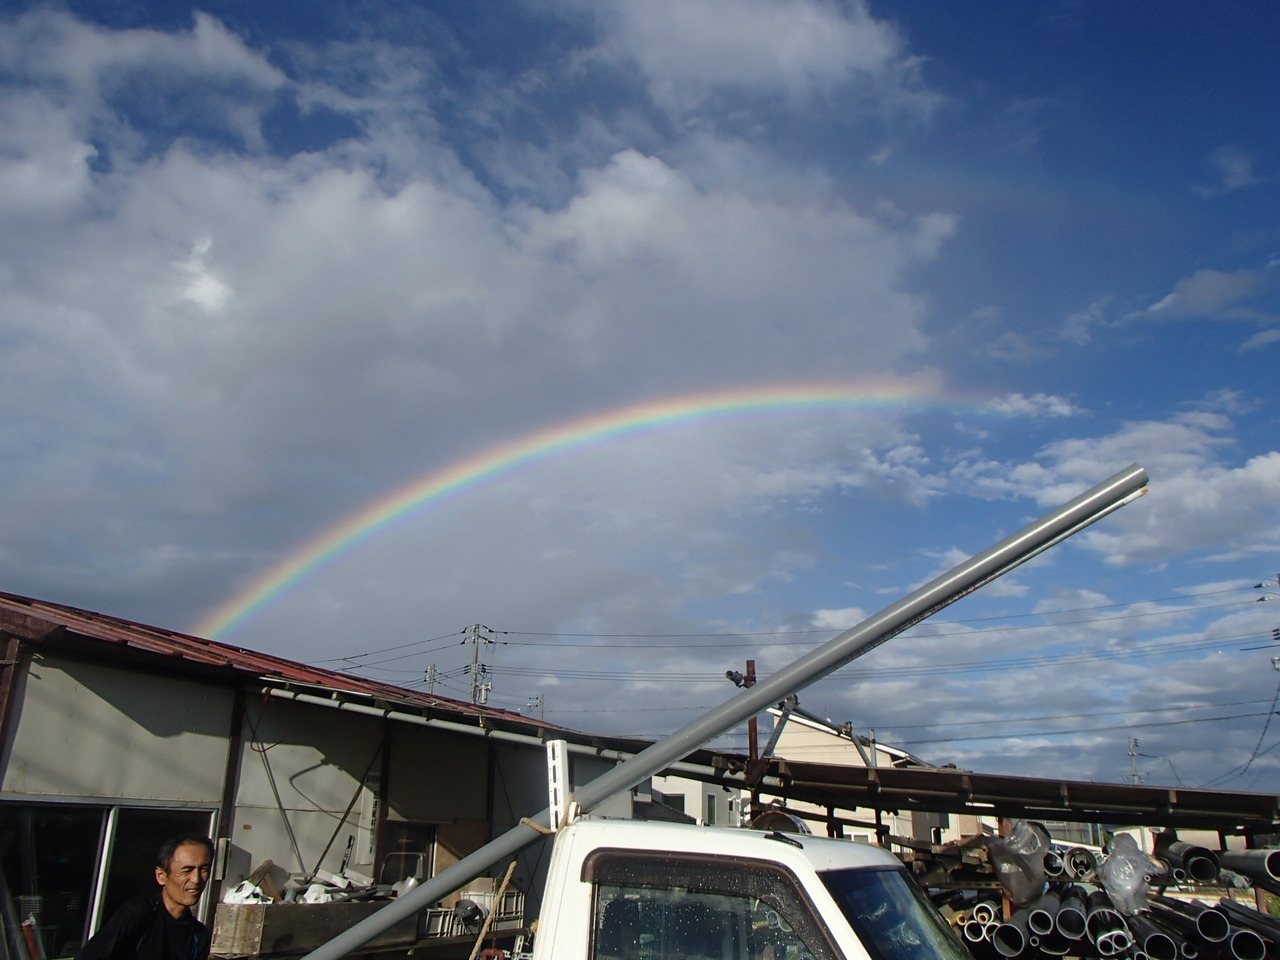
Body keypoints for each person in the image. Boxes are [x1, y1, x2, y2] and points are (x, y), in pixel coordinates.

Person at [77, 835, 214, 960]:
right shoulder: (139, 913)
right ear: (161, 876)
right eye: (187, 870)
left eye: (204, 870)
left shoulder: (198, 935)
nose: (196, 879)